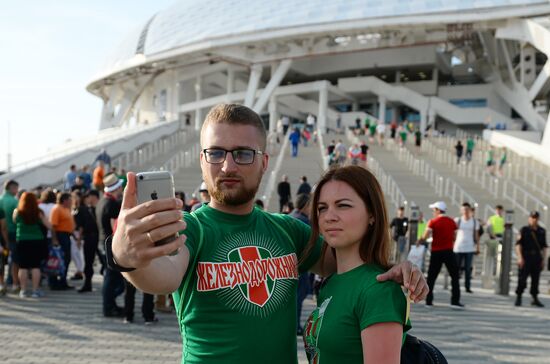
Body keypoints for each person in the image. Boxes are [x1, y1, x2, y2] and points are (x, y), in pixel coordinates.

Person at [108, 103, 427, 363]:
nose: (228, 167)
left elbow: (350, 263)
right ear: (202, 160)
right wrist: (126, 257)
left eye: (243, 154)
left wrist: (396, 269)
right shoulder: (194, 228)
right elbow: (163, 276)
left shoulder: (288, 231)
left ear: (264, 162)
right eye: (216, 153)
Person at [303, 166, 410, 363]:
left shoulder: (379, 290)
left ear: (372, 214)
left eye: (343, 205)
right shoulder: (332, 282)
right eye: (322, 208)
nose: (329, 216)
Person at [420, 201, 464, 309]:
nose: (433, 212)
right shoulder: (451, 221)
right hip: (449, 251)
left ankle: (429, 301)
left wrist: (419, 241)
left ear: (438, 210)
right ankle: (455, 301)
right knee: (454, 276)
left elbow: (425, 236)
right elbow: (454, 236)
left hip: (436, 251)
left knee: (432, 277)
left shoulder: (433, 221)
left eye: (434, 210)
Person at [12, 192, 51, 298]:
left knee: (23, 266)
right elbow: (49, 225)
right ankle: (35, 290)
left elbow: (14, 222)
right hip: (36, 240)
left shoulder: (17, 212)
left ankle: (23, 290)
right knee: (35, 266)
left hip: (22, 240)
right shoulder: (38, 212)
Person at [97, 174, 125, 317]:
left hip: (102, 241)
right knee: (114, 277)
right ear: (117, 188)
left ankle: (110, 305)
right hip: (110, 243)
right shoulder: (112, 204)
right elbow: (116, 225)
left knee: (111, 277)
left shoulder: (102, 201)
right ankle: (108, 306)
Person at [289, 193, 312, 336]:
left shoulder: (291, 216)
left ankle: (294, 325)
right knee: (298, 298)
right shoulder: (304, 222)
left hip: (288, 266)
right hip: (300, 266)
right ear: (305, 206)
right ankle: (296, 325)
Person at [514, 211, 547, 307]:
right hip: (526, 257)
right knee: (522, 278)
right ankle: (519, 296)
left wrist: (543, 260)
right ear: (529, 218)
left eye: (536, 218)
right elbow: (518, 244)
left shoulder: (542, 231)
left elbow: (544, 247)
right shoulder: (524, 230)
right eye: (532, 217)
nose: (534, 219)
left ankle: (534, 298)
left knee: (536, 279)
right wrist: (520, 257)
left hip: (537, 257)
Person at [74, 189, 100, 293]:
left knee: (105, 261)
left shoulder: (101, 207)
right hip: (89, 237)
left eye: (88, 196)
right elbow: (81, 227)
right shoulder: (84, 209)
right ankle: (87, 283)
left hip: (101, 238)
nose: (87, 199)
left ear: (93, 197)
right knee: (88, 262)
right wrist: (79, 239)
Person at [49, 192, 75, 290]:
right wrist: (54, 239)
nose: (71, 201)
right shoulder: (57, 209)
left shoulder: (66, 209)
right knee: (57, 259)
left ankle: (63, 281)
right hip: (60, 235)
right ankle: (54, 282)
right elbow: (53, 226)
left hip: (66, 235)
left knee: (66, 259)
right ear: (65, 200)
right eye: (70, 199)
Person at [453, 203, 480, 293]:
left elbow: (476, 235)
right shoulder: (458, 220)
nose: (465, 211)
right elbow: (453, 233)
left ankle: (467, 286)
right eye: (464, 209)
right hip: (458, 247)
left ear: (470, 210)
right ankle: (455, 285)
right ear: (461, 210)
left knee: (468, 268)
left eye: (467, 209)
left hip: (469, 247)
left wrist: (477, 247)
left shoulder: (474, 222)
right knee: (456, 268)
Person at [0, 180, 20, 291]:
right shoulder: (14, 201)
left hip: (1, 235)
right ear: (12, 188)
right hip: (12, 233)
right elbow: (17, 219)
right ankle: (13, 280)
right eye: (16, 188)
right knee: (14, 257)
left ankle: (2, 283)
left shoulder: (0, 200)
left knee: (2, 259)